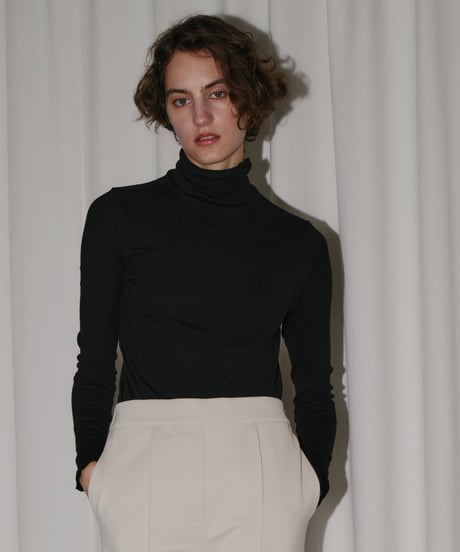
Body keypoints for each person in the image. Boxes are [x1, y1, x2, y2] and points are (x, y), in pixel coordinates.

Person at [72, 14, 336, 552]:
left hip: (262, 471)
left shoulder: (299, 243)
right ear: (166, 112)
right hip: (143, 467)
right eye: (181, 99)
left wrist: (310, 485)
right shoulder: (118, 217)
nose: (201, 115)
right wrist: (91, 469)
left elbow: (315, 384)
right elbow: (94, 360)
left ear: (249, 99)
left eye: (217, 92)